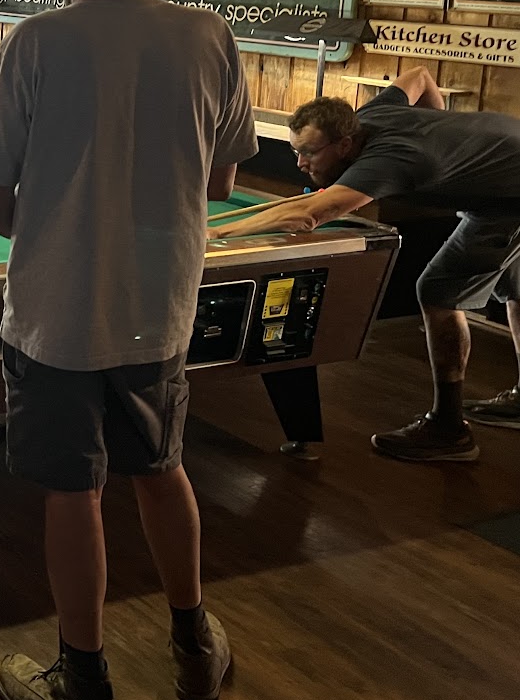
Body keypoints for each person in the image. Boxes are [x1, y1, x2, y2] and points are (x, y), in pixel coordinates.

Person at [0, 0, 253, 700]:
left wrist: (56, 225)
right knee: (162, 471)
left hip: (55, 316)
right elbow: (222, 181)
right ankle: (194, 648)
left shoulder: (34, 42)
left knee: (74, 492)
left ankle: (84, 685)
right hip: (160, 311)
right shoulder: (208, 36)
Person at [211, 69, 520, 462]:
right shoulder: (369, 116)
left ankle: (449, 429)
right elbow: (420, 77)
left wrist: (216, 232)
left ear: (344, 144)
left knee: (438, 292)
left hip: (510, 199)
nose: (301, 163)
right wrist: (439, 132)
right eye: (296, 151)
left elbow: (307, 214)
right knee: (516, 288)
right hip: (506, 177)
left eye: (311, 152)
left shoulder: (388, 161)